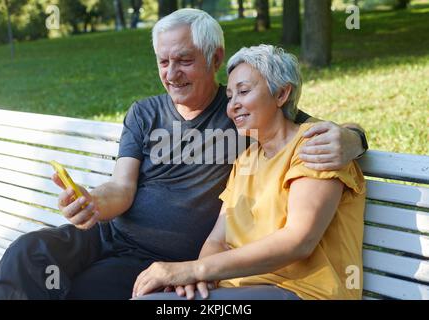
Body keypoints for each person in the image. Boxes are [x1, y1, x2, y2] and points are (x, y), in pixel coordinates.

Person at [0, 9, 367, 300]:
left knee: (83, 290)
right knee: (28, 254)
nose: (172, 74)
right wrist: (94, 201)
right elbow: (122, 187)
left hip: (156, 259)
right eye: (163, 62)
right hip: (108, 236)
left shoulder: (242, 117)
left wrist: (353, 140)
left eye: (184, 60)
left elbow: (303, 127)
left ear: (215, 59)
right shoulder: (145, 112)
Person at [132, 45, 366, 300]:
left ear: (281, 94)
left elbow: (298, 241)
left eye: (243, 92)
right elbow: (217, 240)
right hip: (242, 291)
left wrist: (192, 269)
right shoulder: (246, 159)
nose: (232, 106)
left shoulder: (315, 146)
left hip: (305, 292)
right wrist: (199, 279)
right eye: (230, 96)